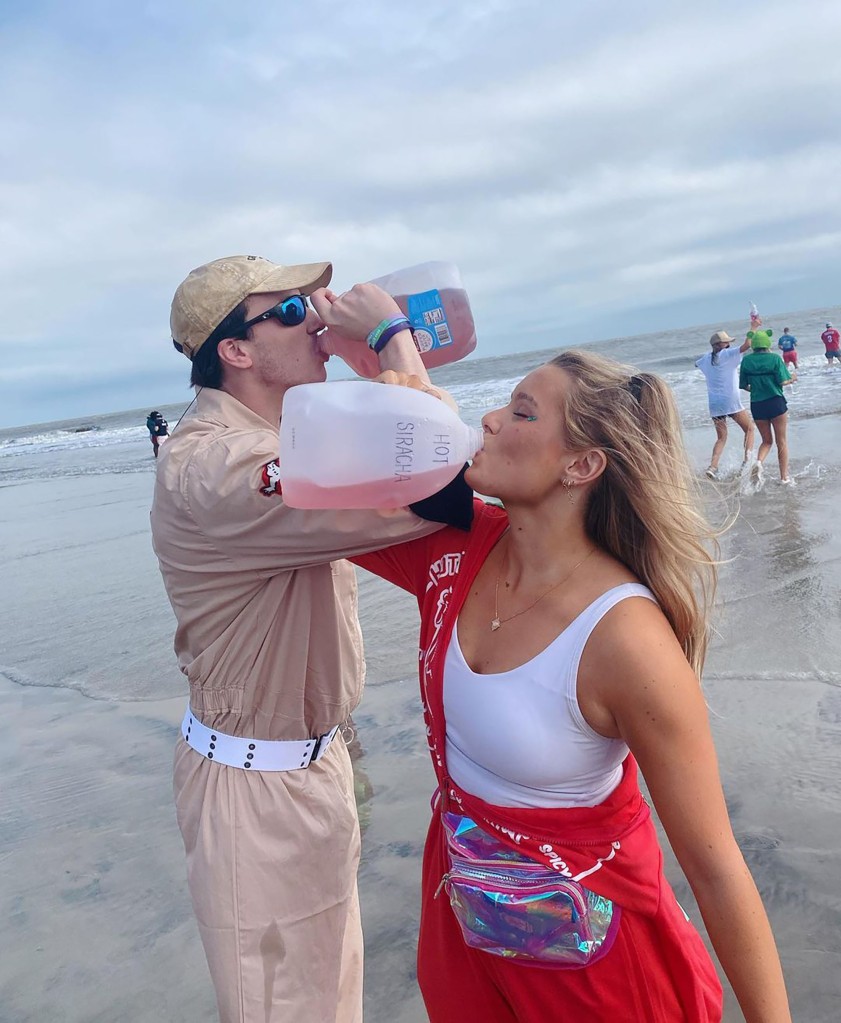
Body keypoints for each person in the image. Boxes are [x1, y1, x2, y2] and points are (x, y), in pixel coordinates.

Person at [352, 350, 792, 1023]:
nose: (490, 419)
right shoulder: (458, 551)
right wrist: (384, 352)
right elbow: (325, 483)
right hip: (470, 929)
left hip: (593, 968)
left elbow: (714, 866)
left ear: (581, 465)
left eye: (522, 412)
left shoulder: (625, 641)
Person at [149, 254, 472, 1023]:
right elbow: (439, 481)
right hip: (257, 791)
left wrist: (370, 372)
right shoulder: (221, 465)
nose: (319, 324)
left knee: (331, 999)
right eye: (292, 314)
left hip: (310, 763)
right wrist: (394, 341)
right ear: (236, 350)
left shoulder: (280, 436)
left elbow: (404, 461)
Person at [694, 330, 754, 479]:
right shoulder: (727, 355)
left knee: (721, 437)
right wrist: (754, 327)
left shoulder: (706, 359)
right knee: (749, 429)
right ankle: (747, 462)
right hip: (730, 400)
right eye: (726, 342)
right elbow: (747, 345)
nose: (728, 344)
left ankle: (713, 467)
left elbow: (697, 364)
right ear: (719, 345)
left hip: (715, 403)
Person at [739, 331, 796, 485]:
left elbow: (743, 385)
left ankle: (758, 462)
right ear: (767, 344)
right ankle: (784, 477)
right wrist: (793, 379)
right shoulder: (775, 359)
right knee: (781, 441)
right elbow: (783, 381)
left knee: (766, 441)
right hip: (775, 402)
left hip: (757, 405)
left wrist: (757, 388)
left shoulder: (746, 361)